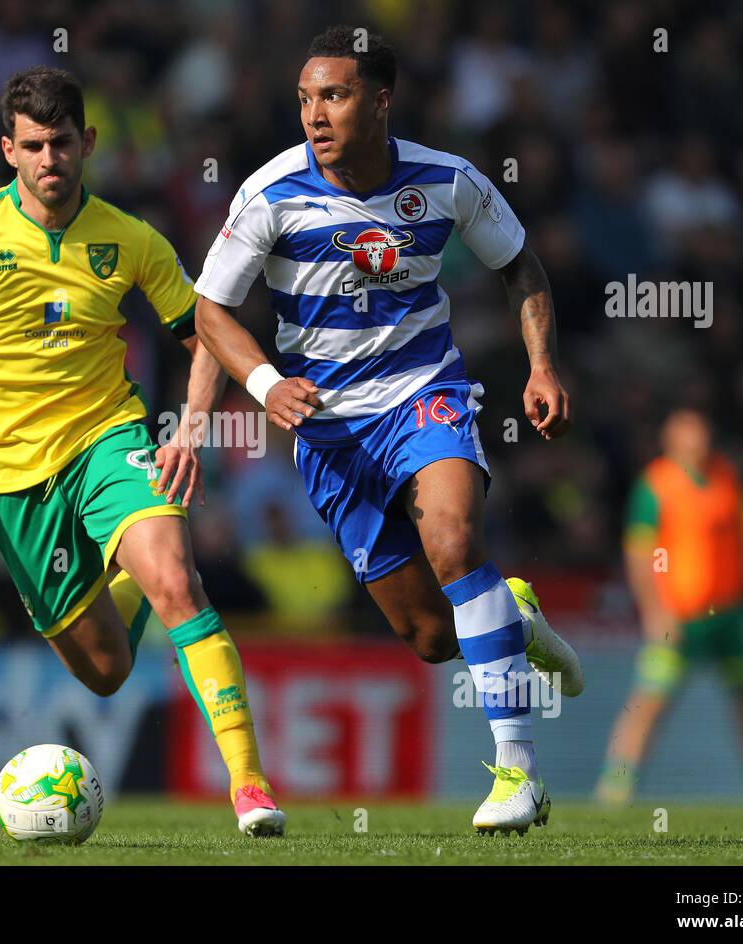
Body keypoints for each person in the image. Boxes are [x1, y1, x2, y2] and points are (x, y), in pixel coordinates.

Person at [0, 67, 284, 836]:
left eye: (61, 142)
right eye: (32, 145)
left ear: (88, 143)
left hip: (109, 438)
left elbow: (205, 329)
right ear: (9, 149)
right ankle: (128, 580)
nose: (49, 159)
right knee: (105, 672)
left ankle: (250, 785)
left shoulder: (131, 239)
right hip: (9, 478)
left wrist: (192, 427)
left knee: (176, 577)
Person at [193, 26, 584, 834]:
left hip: (423, 394)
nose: (314, 114)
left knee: (452, 539)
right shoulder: (270, 195)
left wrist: (540, 365)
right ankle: (516, 617)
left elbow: (520, 265)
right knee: (431, 637)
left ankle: (520, 774)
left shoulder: (449, 182)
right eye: (304, 97)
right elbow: (210, 308)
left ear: (379, 101)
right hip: (329, 431)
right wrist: (264, 383)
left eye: (332, 95)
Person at [596, 408, 743, 806]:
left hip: (729, 613)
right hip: (679, 615)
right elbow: (640, 555)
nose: (700, 439)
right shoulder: (655, 485)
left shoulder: (726, 474)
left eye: (703, 431)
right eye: (690, 433)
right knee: (650, 699)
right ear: (671, 440)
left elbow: (740, 537)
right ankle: (617, 781)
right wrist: (654, 609)